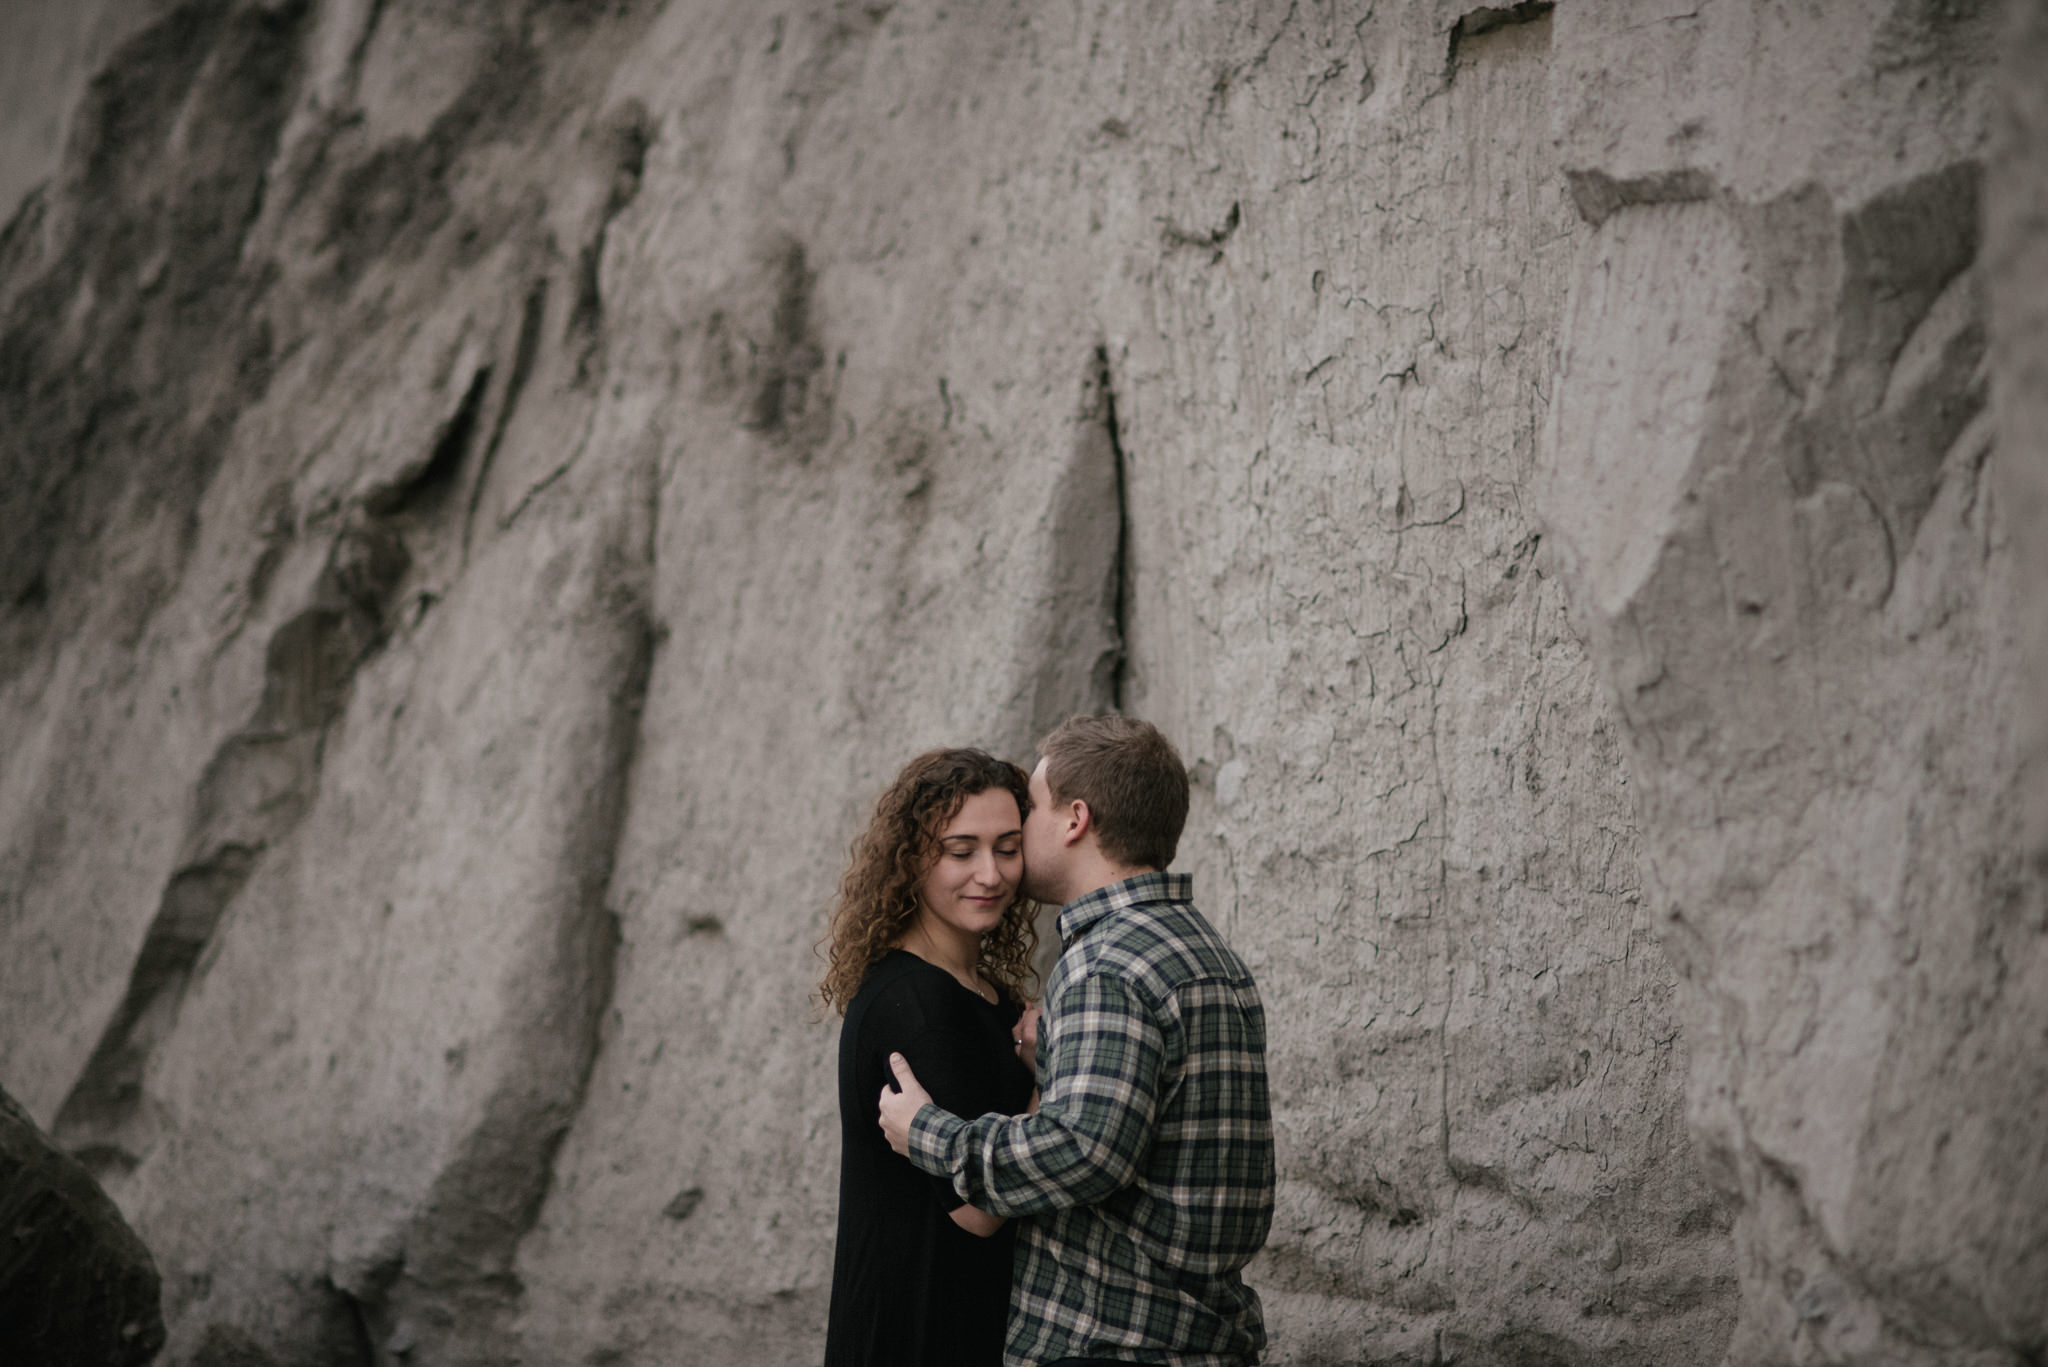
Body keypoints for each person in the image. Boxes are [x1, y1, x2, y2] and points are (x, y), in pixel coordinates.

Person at [879, 715, 1276, 1367]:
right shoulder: (1208, 952)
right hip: (1203, 1338)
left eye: (1031, 807)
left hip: (1113, 1341)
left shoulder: (1106, 965)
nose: (1017, 834)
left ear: (1074, 819)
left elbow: (1086, 1150)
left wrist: (928, 1131)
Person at [819, 748, 1041, 1367]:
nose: (991, 874)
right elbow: (976, 1210)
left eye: (1007, 847)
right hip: (909, 1333)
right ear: (913, 859)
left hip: (966, 1325)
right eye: (961, 850)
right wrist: (1055, 1070)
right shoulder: (912, 1001)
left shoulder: (986, 996)